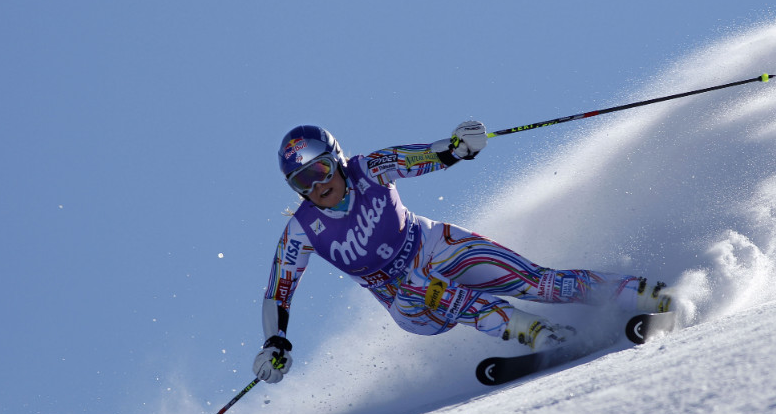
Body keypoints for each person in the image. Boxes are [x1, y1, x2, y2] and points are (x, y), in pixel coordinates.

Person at [252, 122, 672, 383]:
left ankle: (645, 293)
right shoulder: (302, 230)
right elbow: (278, 292)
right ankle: (541, 334)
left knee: (537, 281)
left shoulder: (370, 168)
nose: (317, 186)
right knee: (423, 287)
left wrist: (457, 148)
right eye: (302, 182)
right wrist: (275, 341)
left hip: (436, 246)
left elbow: (418, 157)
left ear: (337, 160)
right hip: (408, 301)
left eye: (321, 170)